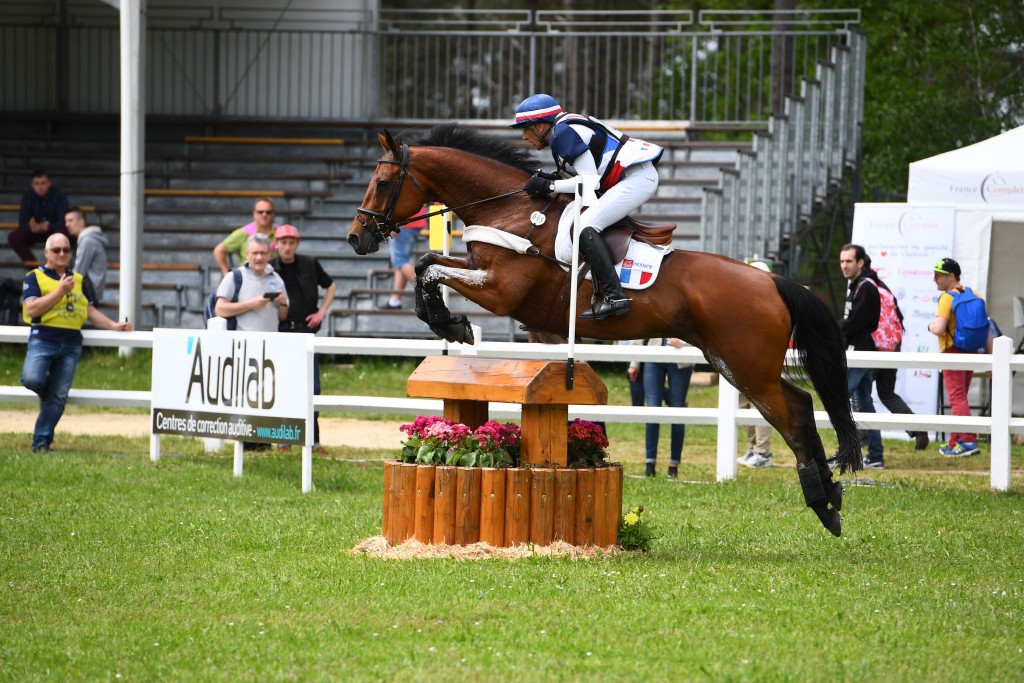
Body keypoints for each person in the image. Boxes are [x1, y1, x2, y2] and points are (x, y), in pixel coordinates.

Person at [510, 93, 664, 321]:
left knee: (585, 227)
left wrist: (550, 185)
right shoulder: (561, 129)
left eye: (526, 128)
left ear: (541, 125)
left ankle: (615, 296)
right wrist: (550, 179)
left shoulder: (562, 132)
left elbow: (589, 182)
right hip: (628, 178)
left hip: (636, 180)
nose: (524, 137)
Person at [20, 233, 132, 452]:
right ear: (46, 253)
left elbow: (89, 310)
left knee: (58, 396)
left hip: (71, 344)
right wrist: (60, 291)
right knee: (31, 379)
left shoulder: (80, 280)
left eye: (66, 250)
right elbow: (32, 309)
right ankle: (49, 394)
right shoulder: (34, 277)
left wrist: (113, 325)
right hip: (43, 339)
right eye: (56, 250)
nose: (62, 254)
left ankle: (41, 443)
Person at [270, 224, 336, 454]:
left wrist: (321, 312)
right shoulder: (270, 268)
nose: (287, 247)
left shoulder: (309, 263)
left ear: (296, 244)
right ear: (276, 244)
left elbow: (330, 286)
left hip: (306, 332)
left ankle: (314, 440)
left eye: (291, 243)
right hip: (280, 333)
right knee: (282, 386)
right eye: (283, 242)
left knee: (313, 388)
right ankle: (282, 439)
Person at [861, 254, 929, 450]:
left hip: (874, 348)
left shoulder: (865, 287)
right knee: (887, 393)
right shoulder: (883, 287)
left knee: (858, 392)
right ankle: (918, 429)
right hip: (892, 346)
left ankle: (862, 437)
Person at [928, 257, 993, 457]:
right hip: (972, 351)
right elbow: (987, 331)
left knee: (956, 398)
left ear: (951, 276)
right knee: (961, 397)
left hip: (952, 351)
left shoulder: (947, 297)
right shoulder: (975, 294)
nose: (935, 279)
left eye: (938, 275)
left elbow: (939, 328)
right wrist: (991, 360)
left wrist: (929, 326)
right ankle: (953, 443)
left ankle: (967, 441)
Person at [837, 244, 884, 468]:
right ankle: (875, 455)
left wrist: (833, 328)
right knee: (864, 402)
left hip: (861, 349)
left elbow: (859, 322)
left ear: (860, 263)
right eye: (842, 261)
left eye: (849, 261)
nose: (844, 265)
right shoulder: (857, 286)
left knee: (840, 397)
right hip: (859, 348)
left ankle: (847, 453)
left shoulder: (865, 287)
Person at [629, 338, 693, 478]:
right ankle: (649, 464)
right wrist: (634, 363)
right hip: (653, 356)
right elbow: (640, 331)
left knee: (677, 409)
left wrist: (683, 342)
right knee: (652, 409)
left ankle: (673, 465)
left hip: (680, 357)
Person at [213, 233, 288, 332]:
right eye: (255, 253)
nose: (259, 257)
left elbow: (282, 317)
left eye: (263, 253)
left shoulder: (276, 279)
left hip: (271, 342)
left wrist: (283, 303)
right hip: (242, 343)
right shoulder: (234, 277)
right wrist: (251, 304)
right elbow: (219, 310)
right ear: (247, 254)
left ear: (269, 254)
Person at [9, 170, 70, 264]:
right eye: (36, 183)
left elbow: (63, 221)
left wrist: (47, 227)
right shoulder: (28, 196)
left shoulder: (59, 196)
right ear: (32, 185)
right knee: (14, 237)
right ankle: (34, 269)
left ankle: (57, 266)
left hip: (53, 231)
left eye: (43, 183)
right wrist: (34, 227)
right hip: (35, 232)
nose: (40, 187)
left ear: (49, 183)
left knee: (63, 234)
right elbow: (22, 222)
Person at [212, 197, 279, 276]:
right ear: (254, 213)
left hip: (273, 278)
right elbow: (219, 250)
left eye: (268, 212)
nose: (264, 214)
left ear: (273, 214)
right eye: (260, 212)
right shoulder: (243, 233)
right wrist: (226, 273)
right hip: (247, 279)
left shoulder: (280, 233)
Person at [379, 206, 425, 310]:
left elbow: (400, 199)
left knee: (400, 260)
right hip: (413, 219)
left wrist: (394, 224)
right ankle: (395, 300)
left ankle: (428, 294)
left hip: (403, 221)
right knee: (401, 261)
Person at [64, 207, 108, 303]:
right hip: (92, 289)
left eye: (70, 220)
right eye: (66, 221)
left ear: (81, 222)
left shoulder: (87, 241)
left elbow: (79, 272)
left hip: (89, 291)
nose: (67, 224)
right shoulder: (88, 239)